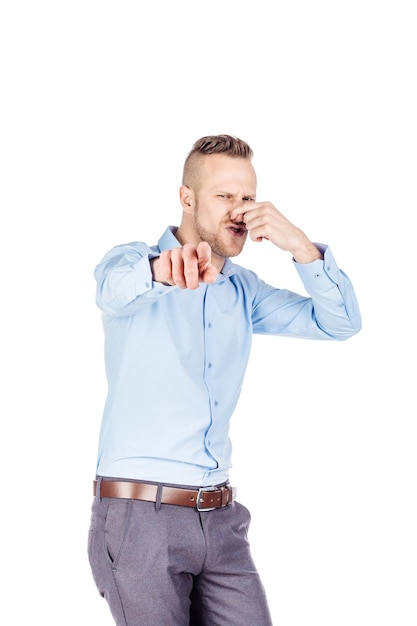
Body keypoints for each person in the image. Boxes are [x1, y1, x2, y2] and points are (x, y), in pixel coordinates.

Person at [88, 134, 361, 626]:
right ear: (187, 198)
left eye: (248, 198)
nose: (240, 210)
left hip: (222, 518)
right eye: (225, 196)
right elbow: (114, 291)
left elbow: (338, 322)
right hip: (139, 517)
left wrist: (300, 245)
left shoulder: (243, 290)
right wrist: (162, 271)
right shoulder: (132, 261)